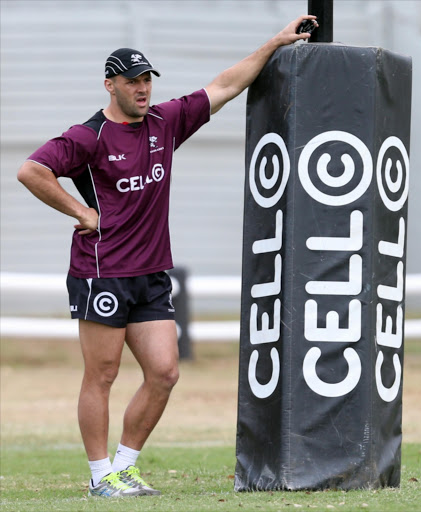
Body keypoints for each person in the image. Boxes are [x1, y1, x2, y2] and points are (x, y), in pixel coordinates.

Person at [17, 14, 318, 498]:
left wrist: (276, 44)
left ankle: (124, 468)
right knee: (104, 374)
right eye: (132, 81)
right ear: (110, 84)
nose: (142, 88)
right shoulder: (88, 136)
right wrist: (80, 210)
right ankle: (100, 478)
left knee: (164, 372)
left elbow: (224, 85)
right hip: (103, 273)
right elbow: (31, 170)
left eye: (147, 80)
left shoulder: (165, 122)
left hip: (152, 272)